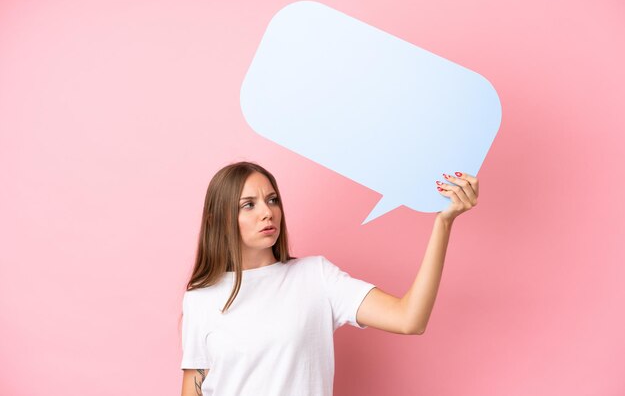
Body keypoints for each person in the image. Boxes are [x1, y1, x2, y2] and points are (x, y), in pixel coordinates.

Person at [180, 161, 479, 396]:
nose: (267, 213)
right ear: (219, 218)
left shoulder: (315, 277)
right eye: (249, 204)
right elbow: (195, 385)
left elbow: (409, 319)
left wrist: (444, 222)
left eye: (272, 200)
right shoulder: (200, 298)